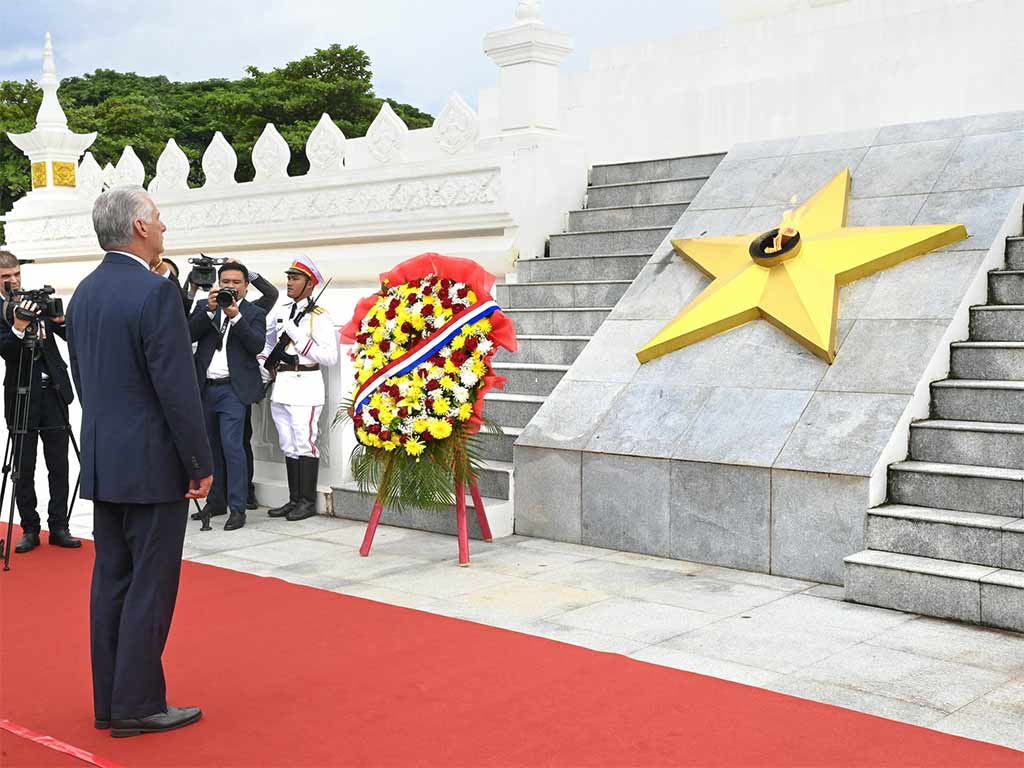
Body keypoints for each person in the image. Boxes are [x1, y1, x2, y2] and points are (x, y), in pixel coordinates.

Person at [66, 185, 213, 738]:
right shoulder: (155, 293)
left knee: (111, 582)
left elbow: (84, 381)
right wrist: (198, 460)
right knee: (150, 585)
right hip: (152, 464)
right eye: (158, 217)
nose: (164, 227)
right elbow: (177, 388)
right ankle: (139, 704)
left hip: (106, 457)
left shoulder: (83, 293)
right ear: (139, 227)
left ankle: (110, 701)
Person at [0, 251, 79, 552]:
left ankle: (59, 526)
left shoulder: (35, 300)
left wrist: (61, 321)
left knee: (59, 463)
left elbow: (70, 335)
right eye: (5, 277)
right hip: (21, 394)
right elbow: (6, 351)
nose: (13, 281)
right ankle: (30, 528)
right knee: (24, 466)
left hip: (53, 392)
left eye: (16, 274)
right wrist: (18, 326)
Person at [189, 262, 267, 530]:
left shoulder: (254, 313)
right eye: (225, 282)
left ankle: (237, 507)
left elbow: (256, 344)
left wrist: (236, 317)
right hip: (206, 387)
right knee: (211, 447)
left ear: (246, 286)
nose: (230, 287)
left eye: (236, 282)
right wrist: (210, 311)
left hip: (233, 389)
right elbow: (187, 334)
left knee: (232, 447)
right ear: (218, 283)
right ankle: (216, 501)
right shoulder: (205, 307)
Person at [260, 255, 337, 521]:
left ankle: (307, 501)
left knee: (305, 442)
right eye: (289, 278)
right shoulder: (282, 311)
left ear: (310, 284)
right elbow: (268, 343)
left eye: (295, 279)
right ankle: (294, 500)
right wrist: (264, 362)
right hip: (282, 383)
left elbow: (329, 357)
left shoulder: (320, 317)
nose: (290, 283)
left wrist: (298, 336)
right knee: (287, 442)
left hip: (306, 384)